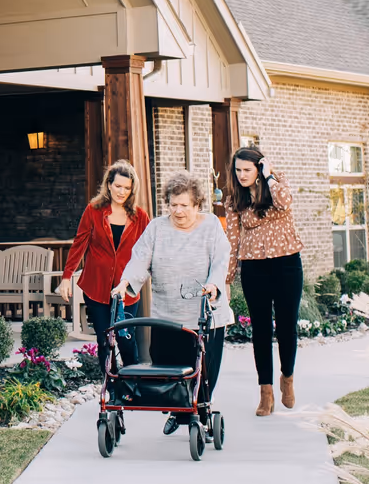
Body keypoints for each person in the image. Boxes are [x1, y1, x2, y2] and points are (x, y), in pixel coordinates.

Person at [113, 175, 233, 434]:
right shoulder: (157, 228)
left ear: (197, 204)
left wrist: (213, 285)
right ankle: (180, 413)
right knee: (168, 370)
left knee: (204, 375)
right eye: (173, 204)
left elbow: (221, 261)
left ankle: (199, 416)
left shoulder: (211, 226)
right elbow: (140, 258)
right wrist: (125, 282)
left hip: (205, 315)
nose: (177, 211)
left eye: (184, 205)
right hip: (167, 316)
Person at [226, 146, 302, 416]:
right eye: (238, 170)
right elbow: (232, 239)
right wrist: (227, 278)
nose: (242, 175)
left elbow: (285, 202)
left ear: (259, 167)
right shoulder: (235, 198)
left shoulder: (278, 182)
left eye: (247, 169)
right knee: (260, 330)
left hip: (287, 264)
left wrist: (269, 176)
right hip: (254, 268)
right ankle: (265, 391)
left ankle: (288, 378)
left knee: (286, 327)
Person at [59, 159, 151, 345]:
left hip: (127, 289)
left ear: (132, 189)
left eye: (126, 188)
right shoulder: (93, 211)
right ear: (109, 185)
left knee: (126, 340)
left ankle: (129, 375)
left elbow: (149, 251)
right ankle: (107, 375)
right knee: (103, 341)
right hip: (96, 286)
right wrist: (66, 277)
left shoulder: (140, 216)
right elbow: (79, 244)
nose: (121, 192)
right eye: (117, 186)